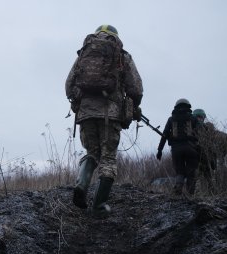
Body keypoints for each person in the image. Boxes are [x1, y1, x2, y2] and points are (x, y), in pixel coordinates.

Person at [65, 25, 143, 215]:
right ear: (116, 37)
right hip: (111, 113)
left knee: (92, 152)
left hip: (86, 113)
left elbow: (69, 85)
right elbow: (136, 89)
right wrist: (133, 106)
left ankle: (81, 186)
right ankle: (99, 206)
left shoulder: (84, 54)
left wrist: (79, 101)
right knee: (108, 158)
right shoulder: (122, 56)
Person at [156, 99, 199, 195]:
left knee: (180, 172)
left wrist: (160, 150)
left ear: (176, 106)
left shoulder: (171, 119)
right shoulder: (193, 118)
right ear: (188, 106)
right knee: (191, 173)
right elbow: (200, 135)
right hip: (191, 148)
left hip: (176, 150)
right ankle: (190, 196)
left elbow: (164, 135)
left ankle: (177, 192)